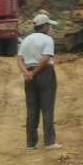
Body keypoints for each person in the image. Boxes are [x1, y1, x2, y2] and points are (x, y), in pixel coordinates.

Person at [17, 11, 60, 149]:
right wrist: (35, 73)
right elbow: (46, 58)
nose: (50, 28)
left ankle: (31, 143)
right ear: (45, 26)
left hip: (29, 75)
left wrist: (27, 73)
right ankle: (49, 141)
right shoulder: (48, 40)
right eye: (49, 25)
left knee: (32, 109)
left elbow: (19, 59)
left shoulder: (26, 40)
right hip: (44, 73)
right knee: (47, 107)